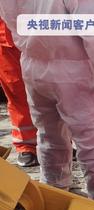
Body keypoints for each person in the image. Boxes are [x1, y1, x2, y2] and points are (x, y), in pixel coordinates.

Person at [0, 1, 94, 206]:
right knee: (92, 139)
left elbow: (12, 20)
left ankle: (53, 190)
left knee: (49, 135)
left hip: (34, 68)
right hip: (74, 70)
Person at [0, 17, 38, 167]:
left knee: (52, 92)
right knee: (18, 95)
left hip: (40, 37)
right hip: (6, 40)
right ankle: (26, 146)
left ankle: (58, 143)